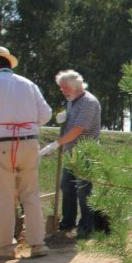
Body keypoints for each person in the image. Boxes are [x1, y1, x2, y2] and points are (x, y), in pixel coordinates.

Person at [0, 46, 52, 259]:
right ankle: (38, 244)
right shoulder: (28, 84)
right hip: (29, 143)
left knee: (2, 197)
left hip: (0, 145)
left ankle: (5, 247)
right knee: (30, 194)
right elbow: (46, 115)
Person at [39, 70, 102, 239]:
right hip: (71, 152)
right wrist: (65, 118)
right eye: (61, 88)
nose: (62, 91)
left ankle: (87, 227)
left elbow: (78, 129)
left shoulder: (89, 102)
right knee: (66, 186)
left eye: (64, 87)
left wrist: (56, 144)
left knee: (84, 190)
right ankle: (67, 222)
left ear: (75, 87)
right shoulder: (72, 101)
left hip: (86, 153)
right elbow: (71, 125)